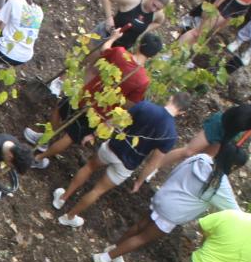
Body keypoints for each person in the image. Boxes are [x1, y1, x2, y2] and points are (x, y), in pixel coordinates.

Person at [92, 145, 245, 262]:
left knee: (140, 226)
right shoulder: (219, 184)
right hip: (172, 213)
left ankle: (116, 250)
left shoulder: (201, 158)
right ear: (233, 166)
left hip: (164, 196)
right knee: (143, 238)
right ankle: (104, 258)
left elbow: (177, 169)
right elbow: (236, 212)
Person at [22, 32, 160, 168]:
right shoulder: (143, 80)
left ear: (140, 43)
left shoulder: (120, 53)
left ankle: (45, 139)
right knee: (70, 136)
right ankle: (39, 157)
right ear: (153, 56)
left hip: (87, 94)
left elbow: (104, 50)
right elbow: (129, 105)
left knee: (60, 110)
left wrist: (113, 38)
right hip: (101, 112)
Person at [52, 94, 188, 229]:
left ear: (171, 98)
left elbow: (115, 121)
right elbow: (153, 162)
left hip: (113, 147)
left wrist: (93, 134)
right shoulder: (171, 135)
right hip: (128, 164)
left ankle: (62, 198)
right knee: (97, 190)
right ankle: (68, 217)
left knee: (88, 167)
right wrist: (139, 181)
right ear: (182, 112)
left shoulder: (145, 107)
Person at [157, 101, 251, 172]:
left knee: (204, 160)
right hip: (218, 126)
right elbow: (227, 138)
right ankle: (155, 166)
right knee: (188, 152)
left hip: (229, 134)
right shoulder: (242, 118)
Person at [96, 0, 171, 50]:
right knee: (88, 61)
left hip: (121, 47)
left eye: (158, 8)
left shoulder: (158, 14)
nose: (154, 10)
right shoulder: (133, 0)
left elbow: (159, 22)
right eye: (154, 5)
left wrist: (144, 30)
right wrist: (109, 18)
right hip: (106, 35)